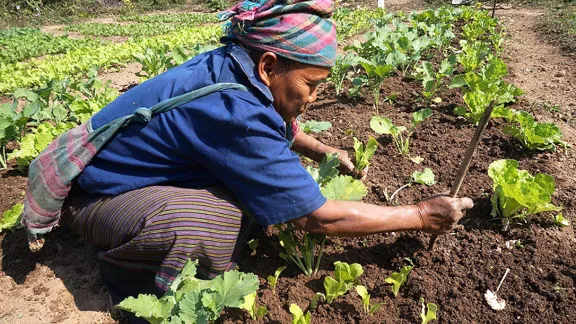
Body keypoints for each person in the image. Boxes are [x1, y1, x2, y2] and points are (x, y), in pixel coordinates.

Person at [22, 0, 473, 320]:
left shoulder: (232, 65)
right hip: (98, 197)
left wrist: (322, 150)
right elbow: (317, 219)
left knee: (250, 199)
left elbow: (265, 120)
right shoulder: (233, 111)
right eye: (311, 85)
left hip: (119, 177)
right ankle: (134, 279)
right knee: (213, 224)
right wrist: (418, 215)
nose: (314, 99)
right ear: (269, 66)